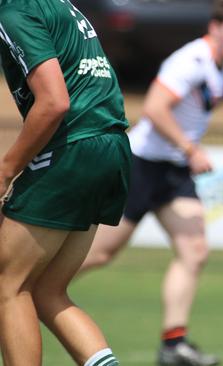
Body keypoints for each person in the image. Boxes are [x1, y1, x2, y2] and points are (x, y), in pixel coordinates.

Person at [78, 3, 223, 366]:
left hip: (173, 172)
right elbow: (154, 109)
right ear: (214, 27)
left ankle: (174, 345)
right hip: (142, 164)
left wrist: (185, 153)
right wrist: (190, 148)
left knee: (195, 252)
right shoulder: (190, 61)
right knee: (99, 253)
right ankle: (24, 290)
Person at [0, 0, 130, 365]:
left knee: (8, 283)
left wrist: (6, 170)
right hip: (110, 145)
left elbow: (54, 102)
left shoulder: (13, 12)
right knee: (46, 291)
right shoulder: (60, 6)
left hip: (75, 147)